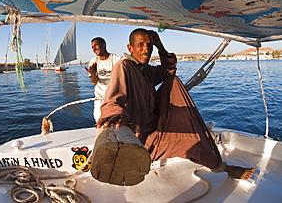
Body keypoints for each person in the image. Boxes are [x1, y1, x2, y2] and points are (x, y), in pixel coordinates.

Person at [96, 28, 254, 180]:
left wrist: (160, 45)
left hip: (156, 124)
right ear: (130, 48)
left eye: (149, 45)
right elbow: (113, 97)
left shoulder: (145, 70)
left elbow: (169, 69)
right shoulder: (124, 66)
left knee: (173, 81)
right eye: (141, 45)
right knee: (194, 142)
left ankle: (192, 132)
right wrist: (115, 115)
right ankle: (224, 168)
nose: (146, 50)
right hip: (145, 139)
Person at [84, 37, 122, 121]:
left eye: (95, 45)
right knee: (99, 121)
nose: (94, 49)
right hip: (100, 99)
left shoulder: (117, 59)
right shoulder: (93, 61)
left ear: (103, 45)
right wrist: (93, 74)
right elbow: (94, 82)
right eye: (92, 47)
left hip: (116, 99)